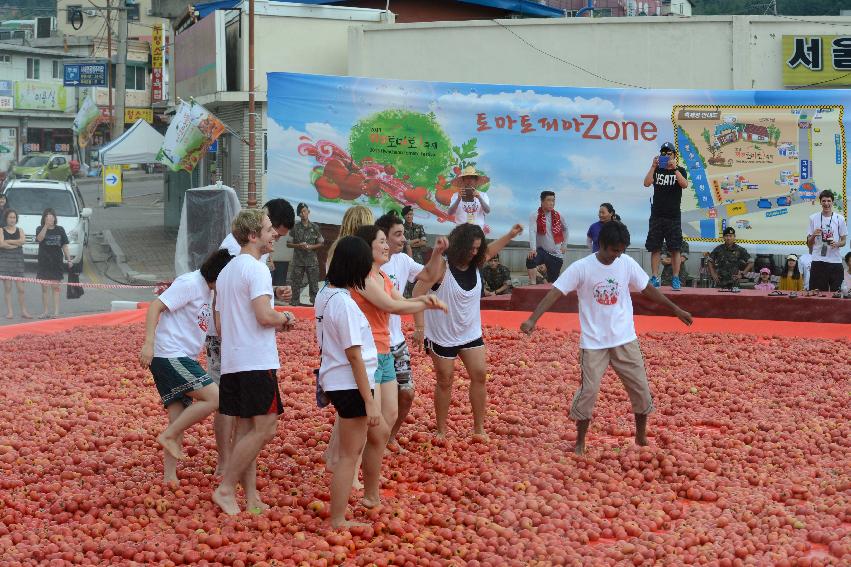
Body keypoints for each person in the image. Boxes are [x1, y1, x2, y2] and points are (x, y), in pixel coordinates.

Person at [520, 221, 693, 455]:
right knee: (588, 391)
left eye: (621, 251)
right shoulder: (582, 267)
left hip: (624, 339)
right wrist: (533, 319)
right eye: (614, 250)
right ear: (602, 244)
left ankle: (641, 436)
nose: (617, 255)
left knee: (641, 388)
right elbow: (556, 292)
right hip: (594, 343)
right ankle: (580, 441)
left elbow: (647, 289)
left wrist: (676, 310)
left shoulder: (626, 263)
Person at [347, 224, 447, 505]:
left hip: (386, 352)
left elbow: (401, 300)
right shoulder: (363, 279)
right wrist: (426, 304)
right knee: (370, 423)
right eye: (381, 241)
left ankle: (368, 482)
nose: (386, 246)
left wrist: (423, 301)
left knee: (389, 416)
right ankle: (357, 478)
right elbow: (393, 307)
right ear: (369, 247)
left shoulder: (382, 276)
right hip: (368, 355)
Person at [212, 209, 296, 516]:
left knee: (246, 431)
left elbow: (220, 326)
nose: (274, 233)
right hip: (255, 361)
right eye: (268, 229)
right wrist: (285, 317)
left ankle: (250, 497)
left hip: (233, 361)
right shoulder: (258, 269)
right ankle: (225, 488)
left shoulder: (226, 273)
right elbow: (264, 316)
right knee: (266, 428)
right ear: (252, 235)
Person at [413, 222, 524, 440]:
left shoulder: (476, 263)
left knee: (480, 375)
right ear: (460, 246)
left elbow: (492, 250)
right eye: (471, 248)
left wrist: (510, 234)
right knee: (445, 380)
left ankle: (479, 429)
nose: (474, 253)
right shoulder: (441, 268)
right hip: (442, 335)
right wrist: (419, 327)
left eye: (477, 249)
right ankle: (441, 430)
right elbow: (418, 291)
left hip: (470, 333)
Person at [138, 249, 233, 483]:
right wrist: (148, 344)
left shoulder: (208, 291)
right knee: (216, 398)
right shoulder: (190, 283)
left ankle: (169, 477)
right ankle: (168, 437)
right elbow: (155, 307)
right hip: (170, 355)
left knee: (178, 417)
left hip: (180, 357)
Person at [314, 236, 381, 529]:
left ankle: (339, 515)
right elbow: (354, 356)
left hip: (338, 379)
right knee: (349, 455)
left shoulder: (326, 295)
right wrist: (369, 400)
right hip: (351, 384)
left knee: (347, 452)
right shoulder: (345, 304)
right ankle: (338, 519)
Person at [375, 212, 447, 451]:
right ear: (382, 238)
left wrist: (437, 253)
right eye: (398, 235)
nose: (403, 239)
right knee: (378, 402)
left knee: (406, 394)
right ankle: (370, 444)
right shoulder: (370, 265)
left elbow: (429, 275)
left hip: (396, 343)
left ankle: (388, 437)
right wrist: (423, 306)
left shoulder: (403, 261)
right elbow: (393, 304)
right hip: (374, 345)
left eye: (403, 234)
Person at [644, 142, 689, 290]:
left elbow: (684, 184)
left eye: (669, 153)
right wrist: (653, 166)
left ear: (675, 155)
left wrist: (674, 169)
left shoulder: (680, 170)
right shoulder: (656, 170)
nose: (666, 155)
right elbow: (646, 183)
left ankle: (675, 278)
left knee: (675, 248)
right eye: (664, 153)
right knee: (655, 247)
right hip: (657, 215)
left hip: (673, 216)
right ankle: (655, 277)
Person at [806, 190, 848, 292]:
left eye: (829, 201)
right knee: (816, 293)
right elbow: (808, 244)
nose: (826, 203)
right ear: (820, 202)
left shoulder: (840, 219)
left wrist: (837, 244)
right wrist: (813, 236)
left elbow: (844, 241)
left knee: (837, 294)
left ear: (832, 202)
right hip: (818, 261)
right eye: (824, 201)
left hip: (835, 261)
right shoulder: (813, 218)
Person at [36, 208, 72, 319]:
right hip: (44, 262)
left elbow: (64, 245)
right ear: (44, 219)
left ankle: (56, 312)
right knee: (44, 287)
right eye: (47, 217)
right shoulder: (40, 228)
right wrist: (46, 227)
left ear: (55, 218)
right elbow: (39, 239)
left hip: (56, 261)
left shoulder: (60, 229)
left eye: (51, 217)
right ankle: (45, 311)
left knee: (55, 287)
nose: (49, 219)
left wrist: (69, 259)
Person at [287, 203, 324, 307]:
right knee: (295, 284)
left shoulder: (315, 227)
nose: (303, 214)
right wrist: (298, 245)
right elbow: (288, 244)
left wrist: (311, 247)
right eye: (301, 212)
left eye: (304, 211)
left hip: (312, 261)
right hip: (298, 261)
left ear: (308, 212)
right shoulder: (295, 227)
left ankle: (315, 304)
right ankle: (295, 303)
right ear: (298, 214)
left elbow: (321, 242)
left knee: (313, 285)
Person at [527, 190, 567, 284]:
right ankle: (532, 284)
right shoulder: (535, 215)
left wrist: (564, 245)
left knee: (553, 283)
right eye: (549, 200)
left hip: (556, 255)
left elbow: (566, 229)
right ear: (542, 201)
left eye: (553, 200)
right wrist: (533, 249)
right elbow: (532, 231)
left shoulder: (558, 215)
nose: (551, 203)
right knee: (530, 259)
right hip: (542, 251)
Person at [0, 209, 31, 319]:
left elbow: (23, 241)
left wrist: (9, 242)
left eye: (14, 217)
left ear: (16, 219)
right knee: (8, 288)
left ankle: (24, 311)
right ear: (6, 218)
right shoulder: (1, 230)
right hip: (5, 261)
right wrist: (14, 244)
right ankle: (10, 312)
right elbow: (1, 244)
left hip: (18, 261)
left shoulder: (20, 230)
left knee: (21, 288)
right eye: (10, 217)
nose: (12, 219)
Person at [447, 166, 490, 230]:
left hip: (477, 231)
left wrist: (479, 198)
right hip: (460, 231)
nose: (469, 180)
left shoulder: (483, 195)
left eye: (472, 178)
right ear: (463, 181)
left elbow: (487, 211)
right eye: (467, 178)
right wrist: (458, 199)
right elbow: (450, 213)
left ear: (476, 181)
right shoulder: (456, 195)